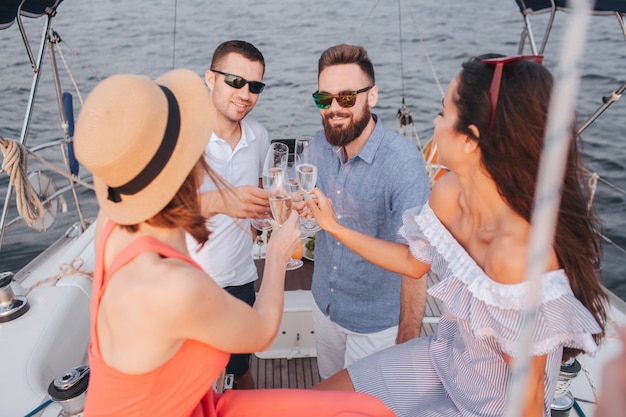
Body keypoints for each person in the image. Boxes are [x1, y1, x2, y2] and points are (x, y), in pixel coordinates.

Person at [75, 69, 395, 417]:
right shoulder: (173, 287)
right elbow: (260, 332)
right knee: (369, 411)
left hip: (185, 401)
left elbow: (167, 209)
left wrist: (221, 201)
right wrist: (276, 254)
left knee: (365, 408)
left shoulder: (112, 224)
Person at [307, 54, 608, 417]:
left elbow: (526, 398)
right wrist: (334, 227)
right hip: (443, 356)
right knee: (315, 404)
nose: (434, 123)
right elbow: (412, 264)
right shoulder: (447, 193)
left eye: (442, 112)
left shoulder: (516, 254)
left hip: (491, 402)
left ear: (471, 140)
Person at [306, 43, 431, 379]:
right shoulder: (318, 146)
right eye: (324, 99)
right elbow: (302, 203)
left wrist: (407, 339)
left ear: (371, 96)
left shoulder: (402, 164)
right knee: (330, 395)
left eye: (347, 97)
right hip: (325, 305)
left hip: (376, 324)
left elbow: (416, 260)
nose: (334, 108)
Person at [186, 39, 270, 390]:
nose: (245, 93)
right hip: (189, 283)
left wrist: (264, 219)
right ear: (210, 77)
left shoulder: (259, 136)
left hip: (240, 279)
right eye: (235, 81)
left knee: (239, 370)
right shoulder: (183, 137)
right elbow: (156, 211)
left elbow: (262, 199)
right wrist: (222, 201)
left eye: (255, 86)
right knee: (192, 383)